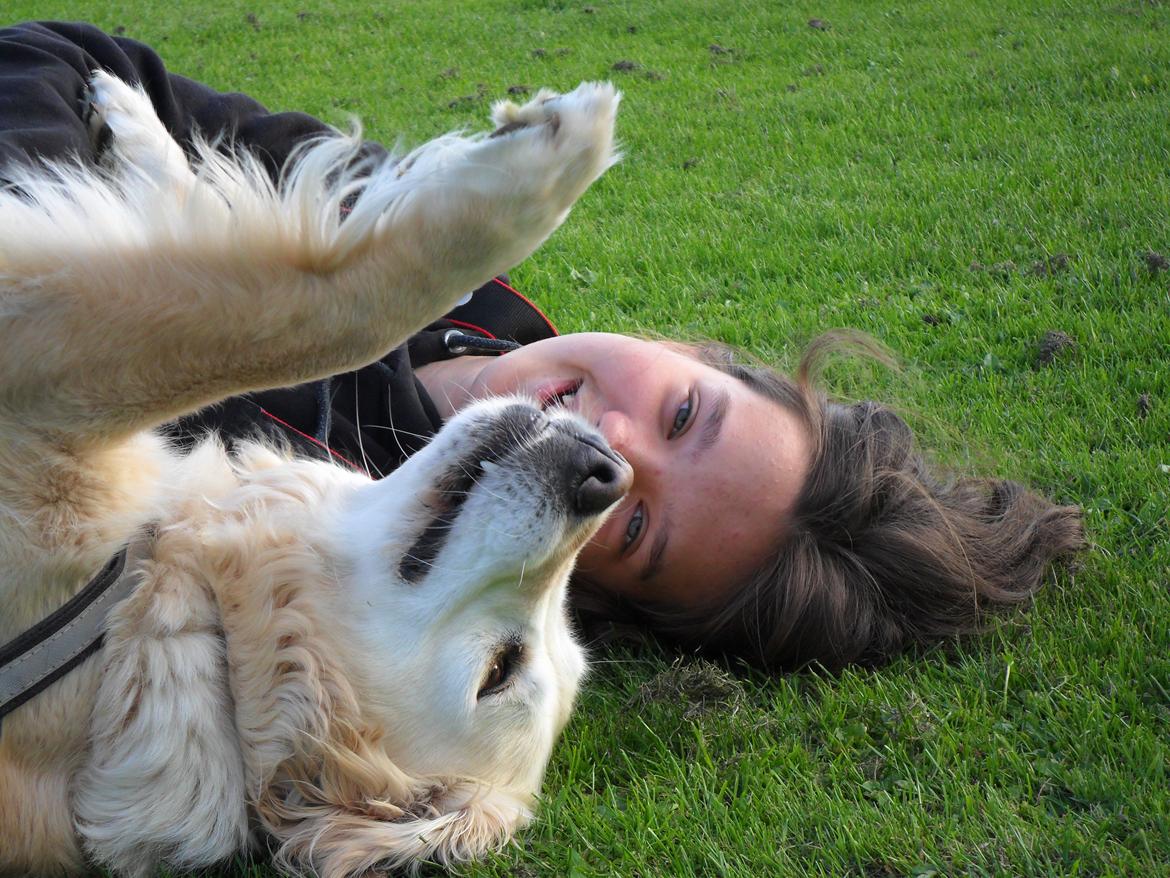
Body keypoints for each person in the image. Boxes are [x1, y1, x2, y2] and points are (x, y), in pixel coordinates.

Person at [0, 21, 1084, 672]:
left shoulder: (334, 551)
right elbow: (65, 60)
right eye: (683, 413)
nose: (607, 438)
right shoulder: (418, 221)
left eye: (636, 514)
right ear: (688, 347)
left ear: (589, 591)